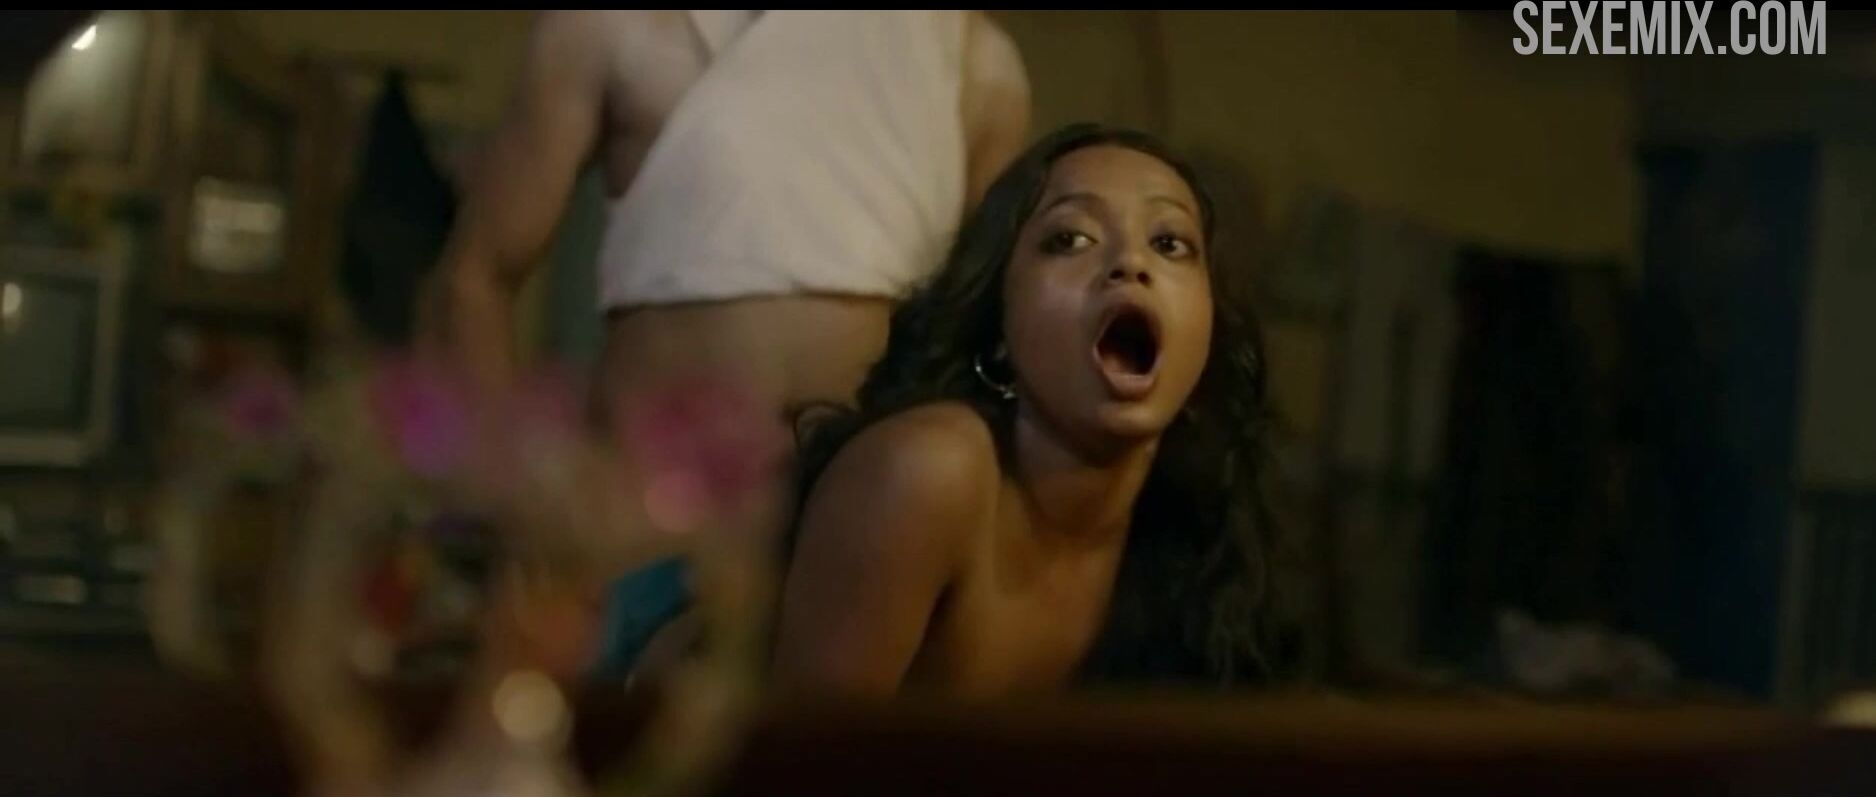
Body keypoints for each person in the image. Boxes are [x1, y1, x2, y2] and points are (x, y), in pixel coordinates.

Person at [419, 11, 1032, 678]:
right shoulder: (612, 28)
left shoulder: (976, 66)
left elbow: (990, 336)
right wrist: (521, 501)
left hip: (852, 564)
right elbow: (472, 280)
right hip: (635, 542)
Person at [773, 123, 1297, 697]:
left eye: (1169, 243)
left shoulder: (1199, 528)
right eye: (1071, 238)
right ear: (997, 325)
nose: (1130, 262)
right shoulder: (922, 472)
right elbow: (803, 751)